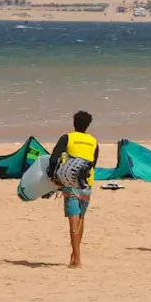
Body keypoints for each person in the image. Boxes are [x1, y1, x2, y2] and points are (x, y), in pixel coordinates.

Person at [48, 111, 99, 268]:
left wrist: (52, 175)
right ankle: (75, 254)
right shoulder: (93, 141)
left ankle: (77, 259)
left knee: (73, 221)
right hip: (87, 183)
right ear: (87, 125)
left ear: (74, 123)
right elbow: (93, 163)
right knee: (81, 218)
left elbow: (54, 158)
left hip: (71, 183)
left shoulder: (67, 138)